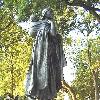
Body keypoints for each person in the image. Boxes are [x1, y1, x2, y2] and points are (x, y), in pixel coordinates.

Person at [25, 7, 65, 100]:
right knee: (40, 70)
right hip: (41, 51)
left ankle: (48, 94)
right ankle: (37, 91)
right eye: (49, 11)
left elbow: (54, 34)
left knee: (50, 72)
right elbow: (31, 32)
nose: (51, 13)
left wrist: (52, 23)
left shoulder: (50, 23)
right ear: (45, 13)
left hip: (51, 52)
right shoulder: (41, 23)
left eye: (52, 11)